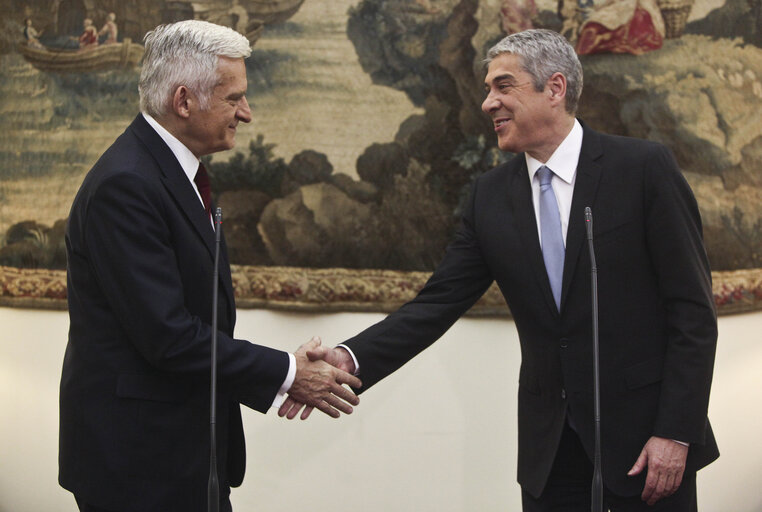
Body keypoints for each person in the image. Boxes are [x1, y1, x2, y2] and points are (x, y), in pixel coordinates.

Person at [280, 29, 719, 511]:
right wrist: (349, 357)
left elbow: (692, 312)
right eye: (487, 90)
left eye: (502, 86)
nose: (488, 103)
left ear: (554, 89)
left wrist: (676, 432)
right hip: (549, 454)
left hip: (646, 445)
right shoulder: (491, 195)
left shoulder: (641, 169)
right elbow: (436, 304)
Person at [60, 20, 361, 512]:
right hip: (138, 467)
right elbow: (169, 337)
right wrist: (287, 371)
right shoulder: (127, 185)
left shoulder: (175, 171)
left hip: (183, 454)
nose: (247, 112)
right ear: (184, 101)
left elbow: (199, 318)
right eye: (234, 98)